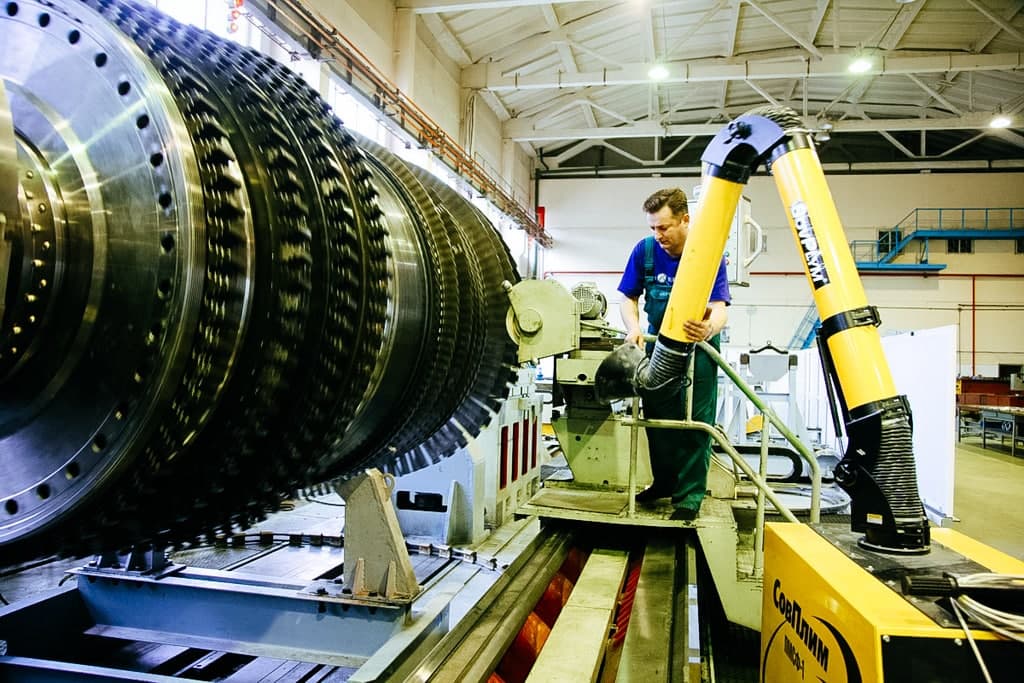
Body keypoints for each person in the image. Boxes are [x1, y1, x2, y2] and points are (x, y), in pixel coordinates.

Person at [618, 187, 730, 521]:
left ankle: (689, 497)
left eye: (664, 227)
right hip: (658, 348)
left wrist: (709, 328)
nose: (658, 234)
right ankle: (663, 483)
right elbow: (628, 297)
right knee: (657, 420)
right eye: (653, 227)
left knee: (696, 423)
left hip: (700, 350)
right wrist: (633, 327)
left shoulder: (706, 253)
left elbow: (720, 307)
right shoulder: (645, 251)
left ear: (685, 220)